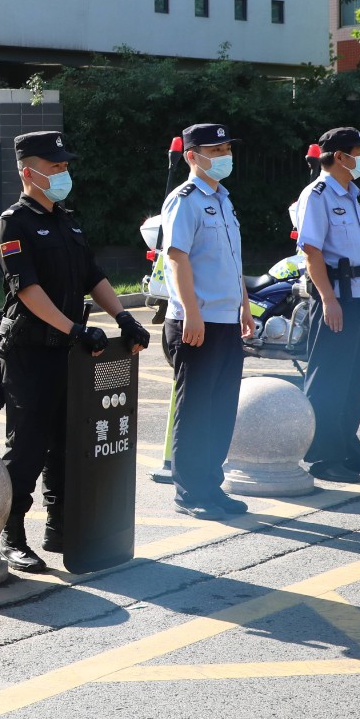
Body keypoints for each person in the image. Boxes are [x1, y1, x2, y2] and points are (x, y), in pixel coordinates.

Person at [0, 131, 149, 571]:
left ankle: (60, 525)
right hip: (31, 353)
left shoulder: (68, 222)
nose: (63, 173)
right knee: (27, 446)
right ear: (29, 173)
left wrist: (123, 317)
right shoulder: (13, 224)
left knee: (67, 441)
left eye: (64, 166)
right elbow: (28, 290)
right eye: (54, 166)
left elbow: (93, 276)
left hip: (71, 354)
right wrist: (75, 329)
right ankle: (10, 533)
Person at [160, 124, 251, 515]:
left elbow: (232, 260)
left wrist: (244, 306)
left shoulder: (224, 200)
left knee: (220, 410)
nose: (224, 155)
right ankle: (190, 493)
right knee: (196, 411)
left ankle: (211, 487)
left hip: (226, 319)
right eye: (215, 150)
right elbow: (176, 257)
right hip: (197, 322)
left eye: (226, 148)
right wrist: (191, 313)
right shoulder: (185, 201)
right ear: (192, 156)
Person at [294, 129, 360, 483]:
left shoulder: (351, 193)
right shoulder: (317, 195)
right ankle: (323, 457)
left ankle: (348, 449)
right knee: (329, 379)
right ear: (338, 156)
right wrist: (328, 299)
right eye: (358, 152)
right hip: (338, 296)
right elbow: (312, 253)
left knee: (354, 379)